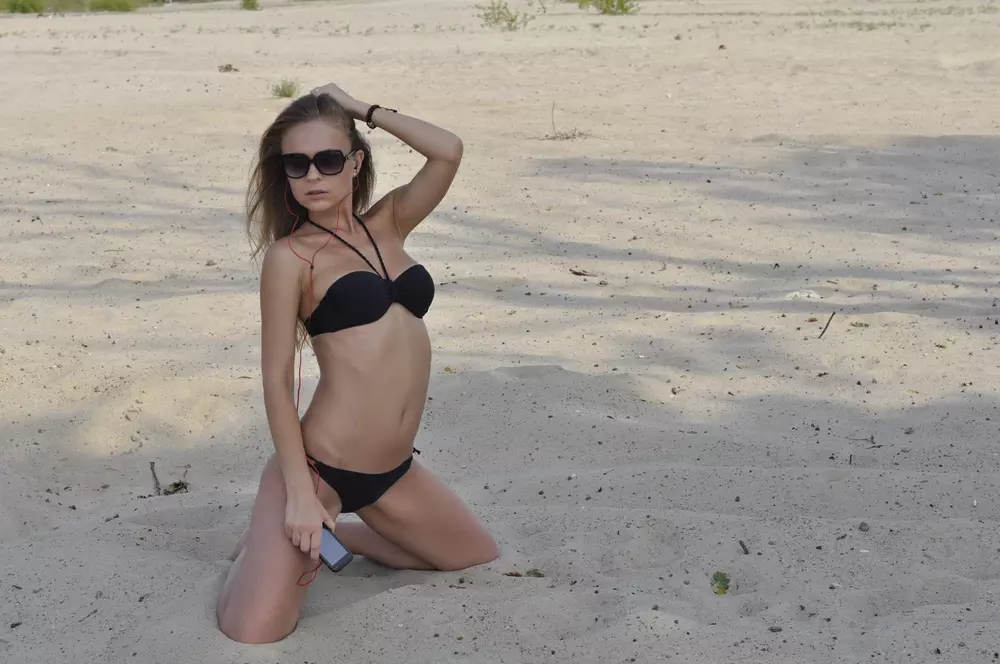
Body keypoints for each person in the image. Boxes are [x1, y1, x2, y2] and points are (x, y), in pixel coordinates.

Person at [216, 82, 499, 644]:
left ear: (355, 163)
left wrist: (357, 107)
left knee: (472, 555)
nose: (312, 176)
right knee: (254, 630)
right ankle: (262, 546)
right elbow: (276, 382)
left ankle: (342, 536)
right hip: (320, 469)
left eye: (327, 159)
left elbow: (448, 150)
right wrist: (300, 494)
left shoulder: (390, 221)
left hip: (394, 472)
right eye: (296, 164)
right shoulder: (291, 258)